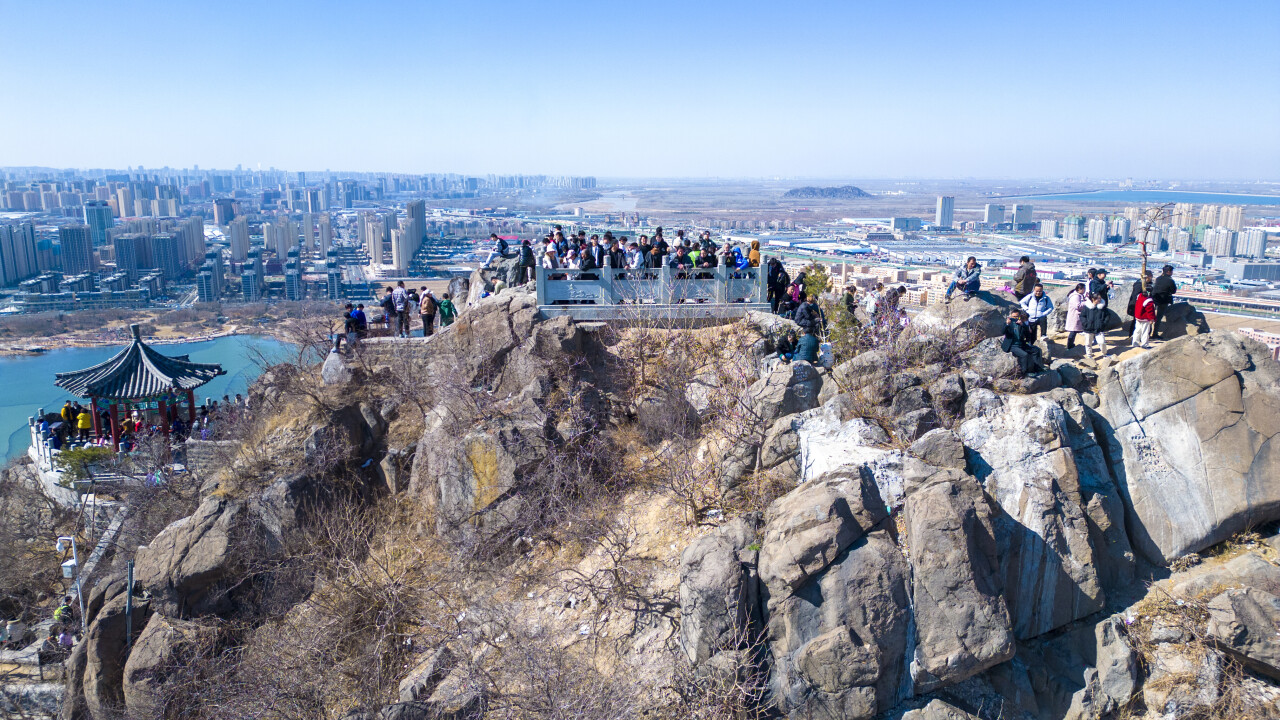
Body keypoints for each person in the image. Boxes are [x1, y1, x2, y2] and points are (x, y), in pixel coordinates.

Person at [1001, 309, 1044, 376]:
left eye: (1017, 316)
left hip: (1021, 344)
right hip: (1012, 345)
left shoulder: (1021, 324)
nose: (1015, 318)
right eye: (1013, 317)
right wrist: (1007, 324)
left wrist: (1023, 325)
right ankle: (1025, 372)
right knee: (1024, 355)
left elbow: (1028, 334)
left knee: (1036, 350)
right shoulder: (1008, 323)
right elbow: (1003, 331)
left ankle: (1037, 368)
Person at [1151, 264, 1178, 339]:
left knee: (1151, 317)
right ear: (1168, 272)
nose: (1172, 273)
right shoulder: (1170, 280)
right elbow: (1173, 291)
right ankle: (1155, 333)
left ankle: (1149, 333)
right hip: (1163, 300)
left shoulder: (1158, 278)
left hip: (1155, 298)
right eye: (1172, 271)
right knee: (1159, 318)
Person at [1080, 292, 1108, 357]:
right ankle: (1089, 355)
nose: (1099, 300)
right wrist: (1085, 324)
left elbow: (1107, 316)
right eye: (1098, 298)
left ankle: (1104, 354)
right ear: (1093, 299)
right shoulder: (1087, 307)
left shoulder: (1102, 307)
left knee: (1102, 342)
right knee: (1088, 343)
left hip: (1099, 328)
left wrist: (1103, 323)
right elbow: (1082, 316)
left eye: (1100, 298)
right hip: (1088, 328)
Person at [1064, 283, 1087, 349]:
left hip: (1076, 315)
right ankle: (1069, 346)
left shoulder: (1079, 295)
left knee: (1074, 331)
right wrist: (1086, 302)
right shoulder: (1075, 296)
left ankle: (1071, 345)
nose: (1084, 290)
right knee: (1073, 331)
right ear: (1080, 289)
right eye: (1084, 289)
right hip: (1074, 316)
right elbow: (1078, 306)